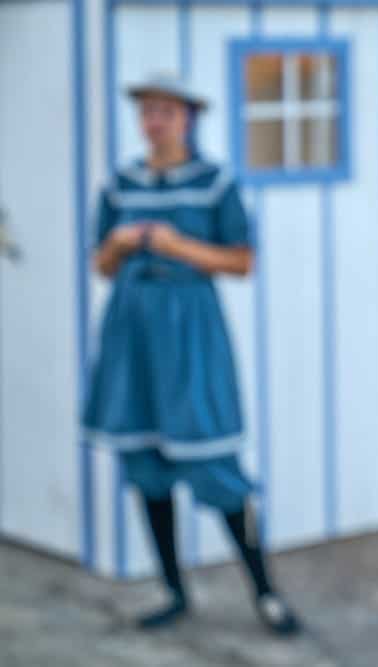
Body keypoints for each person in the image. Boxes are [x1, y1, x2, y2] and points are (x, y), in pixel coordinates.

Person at [83, 74, 299, 635]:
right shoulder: (121, 183)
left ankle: (266, 592)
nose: (155, 121)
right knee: (145, 460)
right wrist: (120, 244)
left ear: (187, 118)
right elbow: (101, 266)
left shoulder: (214, 182)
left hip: (191, 332)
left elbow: (242, 261)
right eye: (147, 112)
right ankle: (175, 591)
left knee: (214, 459)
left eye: (166, 111)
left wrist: (174, 244)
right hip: (132, 331)